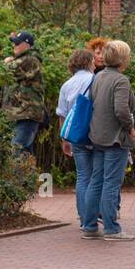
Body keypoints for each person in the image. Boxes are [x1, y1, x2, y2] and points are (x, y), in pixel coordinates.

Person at [82, 40, 135, 241]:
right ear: (123, 59)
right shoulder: (121, 80)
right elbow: (121, 109)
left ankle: (89, 226)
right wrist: (130, 128)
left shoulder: (97, 77)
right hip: (115, 139)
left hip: (97, 136)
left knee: (95, 182)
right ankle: (112, 228)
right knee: (111, 184)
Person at [56, 49, 96, 226]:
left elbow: (62, 114)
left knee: (82, 176)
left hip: (76, 135)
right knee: (96, 175)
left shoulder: (66, 85)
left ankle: (82, 215)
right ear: (89, 63)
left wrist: (65, 139)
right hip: (94, 133)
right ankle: (93, 215)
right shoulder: (94, 80)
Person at [2, 30, 45, 155]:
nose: (14, 46)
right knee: (25, 154)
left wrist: (7, 62)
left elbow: (6, 71)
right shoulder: (23, 59)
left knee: (17, 151)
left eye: (17, 43)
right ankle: (29, 175)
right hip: (20, 114)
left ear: (26, 45)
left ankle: (18, 175)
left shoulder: (31, 60)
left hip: (27, 114)